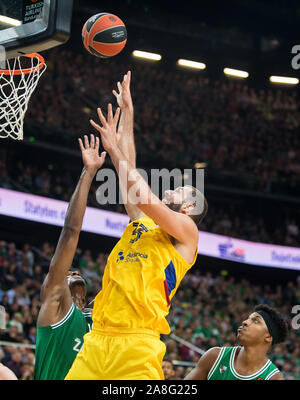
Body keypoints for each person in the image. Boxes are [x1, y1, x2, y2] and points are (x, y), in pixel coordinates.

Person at [65, 72, 208, 380]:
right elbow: (131, 174)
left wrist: (112, 148)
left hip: (138, 343)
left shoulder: (186, 233)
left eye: (177, 191)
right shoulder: (143, 225)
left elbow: (143, 196)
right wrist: (128, 112)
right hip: (97, 338)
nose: (169, 190)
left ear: (188, 207)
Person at [33, 134, 106, 380]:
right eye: (68, 272)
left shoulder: (96, 323)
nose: (73, 271)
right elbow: (71, 233)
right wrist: (88, 173)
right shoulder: (55, 305)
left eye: (75, 271)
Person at [184, 304, 288, 380]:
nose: (245, 322)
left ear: (268, 337)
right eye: (248, 318)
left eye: (255, 321)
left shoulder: (273, 377)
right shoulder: (214, 356)